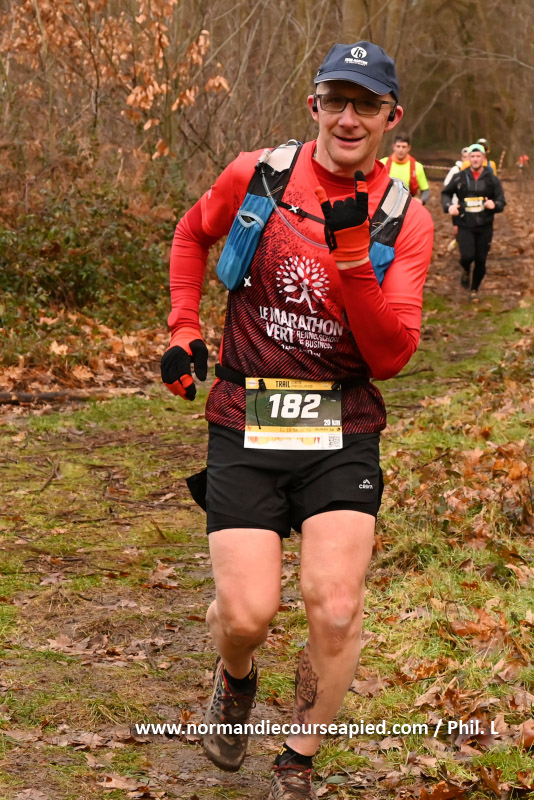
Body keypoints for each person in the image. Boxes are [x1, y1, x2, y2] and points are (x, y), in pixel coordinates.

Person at [161, 40, 433, 800]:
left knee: (336, 606)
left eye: (366, 105)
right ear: (314, 105)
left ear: (390, 118)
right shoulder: (261, 175)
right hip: (246, 416)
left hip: (342, 426)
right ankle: (235, 675)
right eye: (336, 101)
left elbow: (391, 356)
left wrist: (353, 261)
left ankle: (298, 757)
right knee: (247, 615)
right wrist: (183, 327)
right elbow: (192, 234)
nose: (349, 118)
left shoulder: (405, 218)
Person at [442, 142, 506, 301]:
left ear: (483, 158)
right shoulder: (460, 177)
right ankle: (465, 269)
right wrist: (449, 206)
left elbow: (501, 200)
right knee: (467, 256)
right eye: (473, 156)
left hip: (485, 225)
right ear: (468, 158)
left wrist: (494, 205)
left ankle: (474, 290)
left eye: (478, 156)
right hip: (465, 223)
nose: (476, 159)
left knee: (481, 260)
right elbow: (446, 193)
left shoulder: (492, 179)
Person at [380, 132, 430, 204]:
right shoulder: (383, 163)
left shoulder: (417, 167)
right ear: (393, 147)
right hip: (384, 203)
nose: (401, 150)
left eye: (403, 147)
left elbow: (425, 190)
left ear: (408, 148)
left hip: (407, 204)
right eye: (398, 146)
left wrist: (422, 201)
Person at [444, 147, 469, 251]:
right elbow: (446, 184)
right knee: (456, 229)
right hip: (456, 203)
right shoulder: (455, 170)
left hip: (470, 204)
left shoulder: (475, 170)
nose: (466, 159)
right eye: (464, 157)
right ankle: (457, 240)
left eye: (468, 157)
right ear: (461, 158)